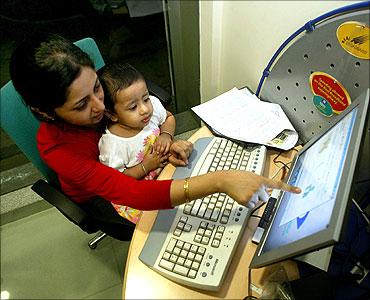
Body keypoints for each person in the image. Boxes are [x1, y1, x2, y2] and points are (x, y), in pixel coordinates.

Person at [9, 33, 301, 240]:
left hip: (136, 161)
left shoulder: (96, 99)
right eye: (82, 105)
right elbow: (132, 193)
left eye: (97, 87)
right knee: (177, 224)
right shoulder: (57, 149)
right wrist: (222, 180)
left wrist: (165, 136)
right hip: (103, 194)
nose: (101, 107)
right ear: (46, 112)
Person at [98, 63, 176, 223]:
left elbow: (168, 117)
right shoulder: (112, 146)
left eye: (146, 98)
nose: (144, 109)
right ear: (112, 115)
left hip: (164, 171)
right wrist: (145, 166)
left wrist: (166, 135)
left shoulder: (150, 110)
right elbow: (118, 181)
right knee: (163, 221)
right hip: (137, 190)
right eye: (133, 107)